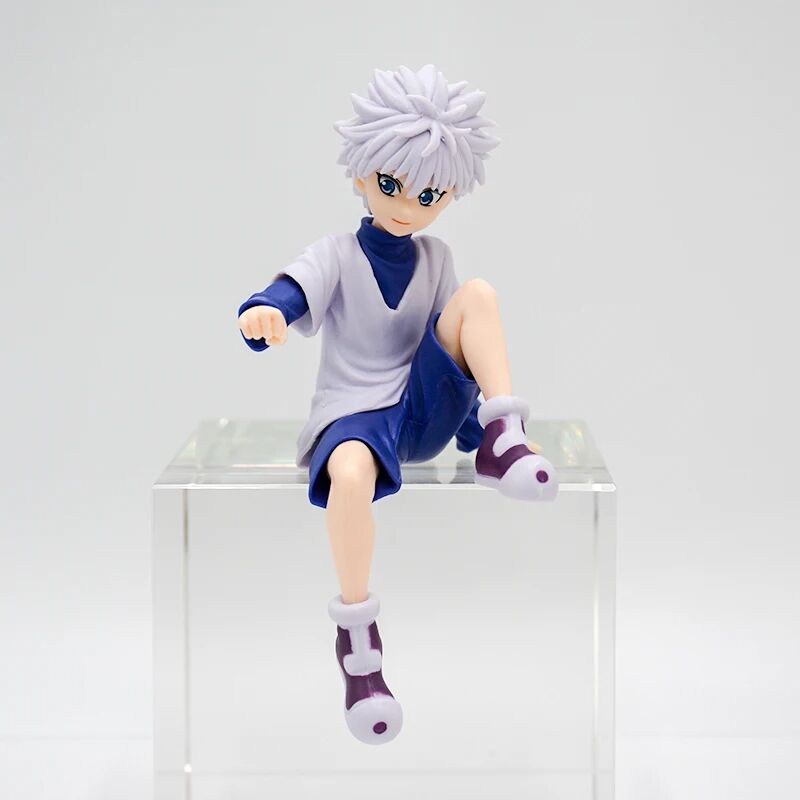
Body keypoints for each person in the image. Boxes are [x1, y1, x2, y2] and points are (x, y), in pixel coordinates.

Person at [237, 65, 558, 745]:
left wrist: (470, 425)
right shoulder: (335, 254)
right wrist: (267, 312)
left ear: (449, 196)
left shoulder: (436, 258)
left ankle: (504, 435)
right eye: (392, 184)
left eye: (429, 193)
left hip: (418, 412)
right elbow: (291, 292)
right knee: (350, 475)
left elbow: (455, 342)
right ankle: (359, 644)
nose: (407, 205)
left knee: (480, 295)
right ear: (361, 175)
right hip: (354, 417)